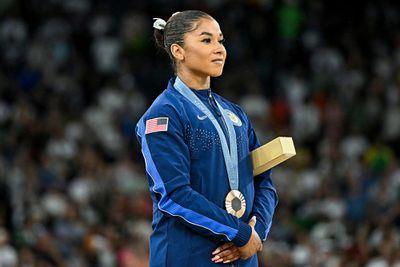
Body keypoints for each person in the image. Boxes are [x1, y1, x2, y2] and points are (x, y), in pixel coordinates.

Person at [135, 10, 278, 266]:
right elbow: (174, 195)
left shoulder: (236, 114)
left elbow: (264, 180)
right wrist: (240, 233)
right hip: (188, 255)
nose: (219, 49)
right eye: (206, 40)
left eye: (220, 40)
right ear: (178, 51)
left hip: (242, 257)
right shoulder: (164, 114)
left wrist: (256, 230)